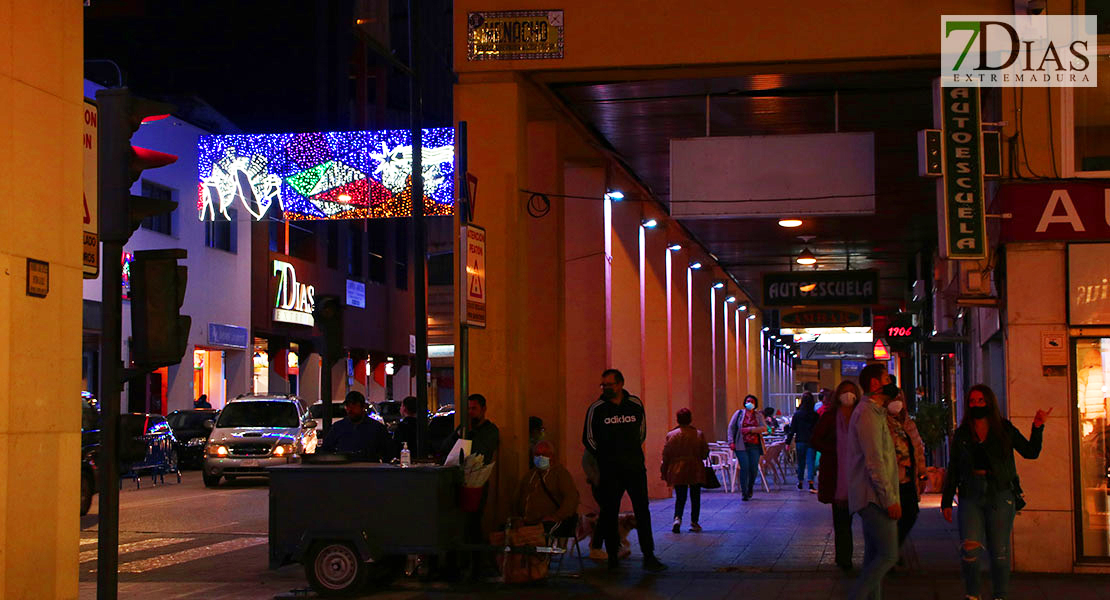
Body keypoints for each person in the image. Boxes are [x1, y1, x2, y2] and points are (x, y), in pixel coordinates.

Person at [941, 384, 1049, 600]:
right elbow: (953, 467)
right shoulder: (963, 433)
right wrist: (946, 499)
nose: (976, 404)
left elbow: (1030, 452)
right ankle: (972, 594)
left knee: (999, 551)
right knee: (969, 549)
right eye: (972, 401)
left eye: (981, 400)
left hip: (999, 492)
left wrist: (1037, 428)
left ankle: (1000, 596)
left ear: (989, 402)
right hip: (971, 492)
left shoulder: (1004, 429)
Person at [583, 368, 667, 572]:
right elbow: (588, 438)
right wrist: (605, 457)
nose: (605, 388)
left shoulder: (635, 405)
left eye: (609, 385)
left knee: (642, 511)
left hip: (634, 468)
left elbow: (642, 432)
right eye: (603, 385)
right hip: (609, 470)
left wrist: (628, 453)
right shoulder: (597, 408)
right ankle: (612, 556)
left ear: (620, 384)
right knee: (610, 512)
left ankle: (649, 555)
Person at [844, 363, 901, 600]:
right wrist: (889, 499)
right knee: (888, 555)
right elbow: (875, 461)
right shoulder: (867, 414)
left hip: (872, 495)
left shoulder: (876, 412)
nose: (891, 383)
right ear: (876, 384)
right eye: (887, 378)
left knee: (873, 556)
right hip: (873, 497)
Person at [811, 380, 863, 571]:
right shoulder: (830, 417)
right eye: (844, 392)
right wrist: (836, 450)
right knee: (841, 521)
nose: (848, 395)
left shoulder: (861, 416)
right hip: (837, 476)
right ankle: (844, 558)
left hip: (859, 474)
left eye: (851, 392)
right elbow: (815, 440)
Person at [885, 390, 927, 558]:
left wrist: (922, 474)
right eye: (892, 399)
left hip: (909, 478)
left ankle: (893, 549)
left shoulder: (909, 424)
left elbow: (918, 451)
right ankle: (890, 553)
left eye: (899, 399)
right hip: (892, 480)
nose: (897, 402)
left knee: (910, 514)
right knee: (892, 518)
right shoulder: (883, 424)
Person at [514, 440, 580, 535]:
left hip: (548, 523)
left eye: (544, 454)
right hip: (527, 522)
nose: (540, 457)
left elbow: (572, 498)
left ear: (552, 456)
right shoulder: (530, 475)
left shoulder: (560, 474)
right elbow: (519, 497)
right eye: (537, 454)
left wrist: (556, 517)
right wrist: (518, 518)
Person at [661, 408, 709, 533]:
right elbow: (704, 454)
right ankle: (694, 521)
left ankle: (677, 518)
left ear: (678, 420)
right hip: (695, 468)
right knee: (695, 496)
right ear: (690, 419)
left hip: (677, 469)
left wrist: (664, 471)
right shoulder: (698, 434)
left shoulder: (671, 435)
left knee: (680, 496)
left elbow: (666, 455)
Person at [319, 391, 394, 461]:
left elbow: (388, 452)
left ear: (363, 407)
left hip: (369, 469)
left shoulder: (377, 428)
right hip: (345, 469)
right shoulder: (338, 427)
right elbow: (326, 449)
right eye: (348, 406)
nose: (350, 410)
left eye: (354, 406)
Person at [727, 394, 767, 501]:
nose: (750, 403)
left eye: (752, 401)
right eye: (748, 401)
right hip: (741, 445)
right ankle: (744, 492)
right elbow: (731, 427)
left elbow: (764, 428)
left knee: (753, 469)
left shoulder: (758, 415)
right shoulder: (739, 414)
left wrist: (751, 429)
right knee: (744, 467)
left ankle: (750, 487)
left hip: (754, 445)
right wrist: (731, 441)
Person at [445, 394, 500, 465]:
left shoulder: (490, 430)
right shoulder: (463, 427)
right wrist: (457, 434)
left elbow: (479, 453)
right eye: (468, 409)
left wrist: (470, 432)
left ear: (483, 409)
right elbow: (445, 448)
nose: (470, 412)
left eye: (474, 408)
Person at [786, 392, 820, 493]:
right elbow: (818, 429)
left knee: (800, 462)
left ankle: (800, 481)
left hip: (800, 441)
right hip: (811, 441)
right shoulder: (815, 415)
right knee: (811, 463)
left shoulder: (797, 414)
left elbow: (792, 429)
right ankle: (811, 483)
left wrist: (788, 442)